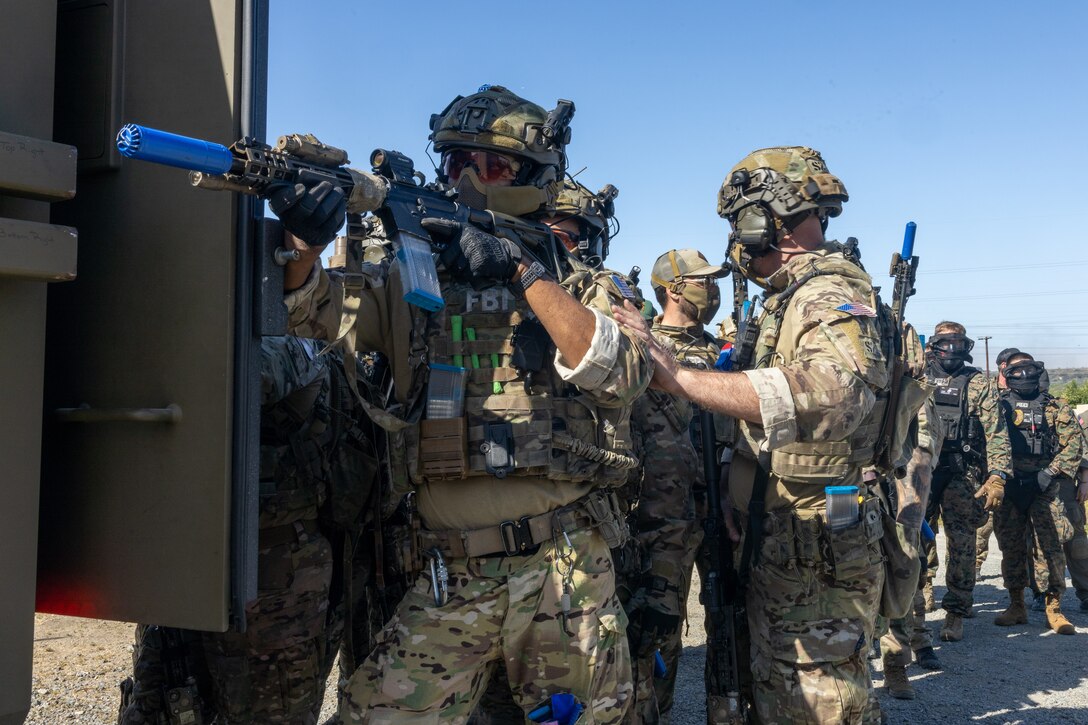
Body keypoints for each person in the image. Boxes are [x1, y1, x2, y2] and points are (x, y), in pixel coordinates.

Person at [275, 84, 650, 723]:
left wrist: (520, 272)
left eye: (492, 165)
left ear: (536, 175)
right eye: (454, 163)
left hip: (565, 571)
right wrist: (303, 245)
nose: (468, 181)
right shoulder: (413, 277)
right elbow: (312, 310)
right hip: (450, 572)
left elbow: (622, 371)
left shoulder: (582, 281)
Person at [613, 146, 898, 723]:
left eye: (737, 224)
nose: (735, 243)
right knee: (774, 693)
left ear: (763, 221)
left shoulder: (823, 294)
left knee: (816, 705)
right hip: (785, 534)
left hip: (815, 547)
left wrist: (680, 378)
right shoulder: (789, 299)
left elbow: (835, 395)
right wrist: (736, 486)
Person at [117, 336, 381, 725]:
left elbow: (233, 376)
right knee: (170, 702)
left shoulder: (296, 344)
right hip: (194, 562)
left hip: (270, 583)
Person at [621, 248, 726, 723]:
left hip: (725, 509)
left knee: (730, 621)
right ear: (672, 289)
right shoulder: (639, 347)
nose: (713, 289)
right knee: (656, 628)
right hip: (662, 518)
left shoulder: (732, 351)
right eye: (702, 280)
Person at [923, 322, 1011, 641]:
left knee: (962, 543)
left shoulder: (978, 384)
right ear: (935, 342)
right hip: (920, 470)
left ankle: (956, 612)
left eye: (957, 342)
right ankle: (920, 594)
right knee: (915, 536)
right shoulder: (916, 375)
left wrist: (997, 476)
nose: (951, 349)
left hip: (962, 472)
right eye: (945, 341)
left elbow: (998, 434)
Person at [992, 352, 1083, 634]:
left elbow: (1073, 447)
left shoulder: (1057, 407)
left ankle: (1053, 608)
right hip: (1009, 484)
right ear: (1008, 376)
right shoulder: (996, 407)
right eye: (1016, 372)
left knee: (1050, 548)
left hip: (1045, 486)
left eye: (1028, 371)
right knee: (1011, 548)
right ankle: (1016, 604)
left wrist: (1048, 474)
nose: (1023, 376)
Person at [974, 347, 1021, 576]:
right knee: (982, 526)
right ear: (1002, 367)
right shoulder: (985, 389)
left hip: (1018, 472)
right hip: (987, 470)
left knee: (1013, 531)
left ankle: (1019, 577)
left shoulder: (1026, 391)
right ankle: (974, 567)